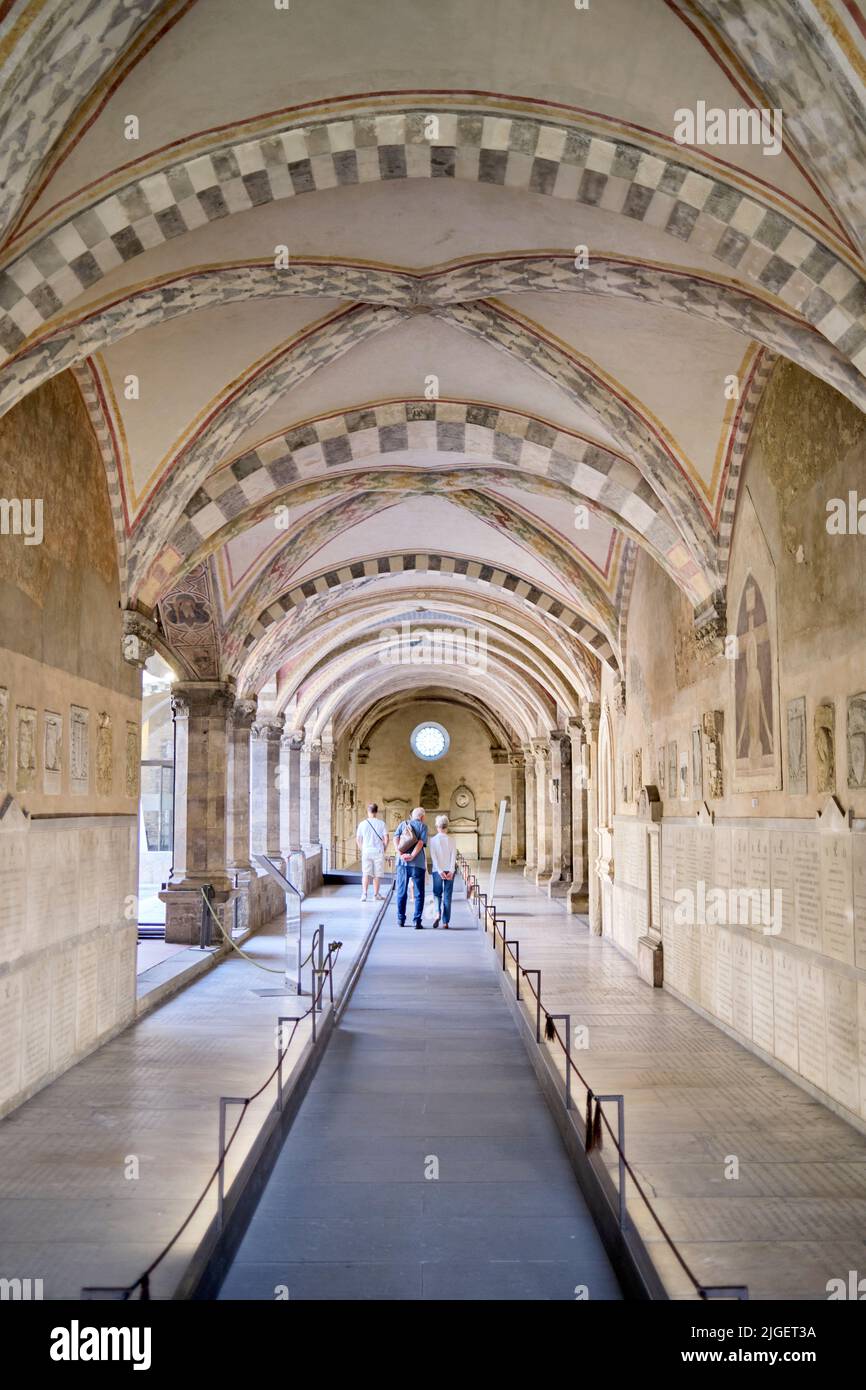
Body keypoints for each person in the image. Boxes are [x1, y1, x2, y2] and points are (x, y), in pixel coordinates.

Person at [394, 806, 428, 929]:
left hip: (402, 864)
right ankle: (417, 921)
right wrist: (413, 855)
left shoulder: (403, 824)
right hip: (417, 864)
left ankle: (400, 919)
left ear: (412, 816)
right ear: (422, 817)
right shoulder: (423, 826)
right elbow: (420, 842)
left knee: (401, 891)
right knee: (419, 893)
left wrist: (401, 854)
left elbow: (396, 838)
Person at [355, 802, 389, 902]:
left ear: (368, 811)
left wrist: (362, 849)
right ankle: (375, 894)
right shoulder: (381, 823)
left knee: (366, 873)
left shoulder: (362, 824)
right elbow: (386, 838)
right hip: (378, 851)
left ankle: (364, 894)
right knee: (377, 875)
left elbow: (358, 839)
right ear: (376, 811)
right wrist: (384, 849)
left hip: (366, 851)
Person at [429, 813, 457, 928]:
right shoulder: (452, 840)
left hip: (437, 871)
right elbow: (453, 856)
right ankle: (445, 922)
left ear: (437, 826)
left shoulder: (433, 840)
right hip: (449, 870)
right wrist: (451, 870)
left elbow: (433, 857)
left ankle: (437, 913)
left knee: (437, 894)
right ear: (447, 826)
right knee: (447, 895)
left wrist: (440, 870)